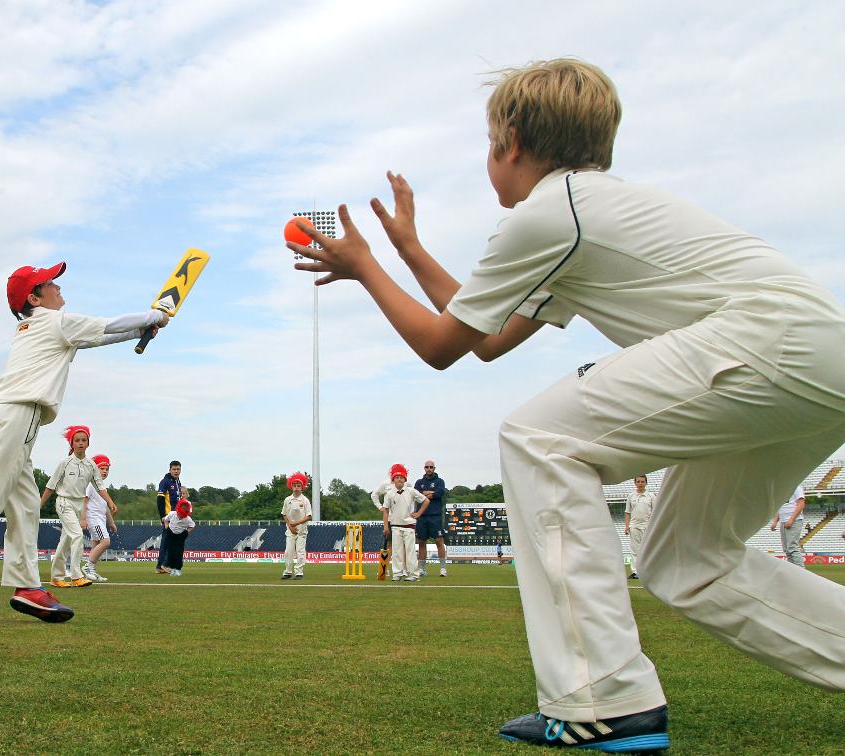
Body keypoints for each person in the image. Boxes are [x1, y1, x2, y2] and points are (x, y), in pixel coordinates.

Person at [289, 57, 845, 751]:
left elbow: (439, 345)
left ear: (511, 142)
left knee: (537, 438)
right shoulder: (582, 215)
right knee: (685, 558)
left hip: (764, 347)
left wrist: (367, 265)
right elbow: (483, 339)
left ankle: (603, 699)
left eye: (489, 142)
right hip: (817, 359)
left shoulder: (553, 212)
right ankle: (606, 695)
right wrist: (408, 249)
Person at [0, 263, 168, 625]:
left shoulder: (33, 328)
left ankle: (26, 586)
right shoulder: (54, 322)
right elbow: (106, 324)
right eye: (51, 284)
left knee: (25, 504)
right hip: (19, 415)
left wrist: (143, 326)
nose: (58, 287)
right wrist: (155, 315)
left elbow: (99, 337)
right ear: (34, 297)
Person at [40, 425, 116, 589]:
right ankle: (76, 576)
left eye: (84, 440)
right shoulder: (65, 463)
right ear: (72, 444)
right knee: (77, 536)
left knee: (65, 541)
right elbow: (50, 486)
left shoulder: (91, 465)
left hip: (78, 505)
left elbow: (100, 487)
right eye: (77, 440)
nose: (81, 443)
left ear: (88, 443)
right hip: (64, 502)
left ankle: (56, 577)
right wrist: (40, 505)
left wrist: (110, 502)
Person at [376, 465, 429, 582]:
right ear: (393, 479)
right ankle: (397, 573)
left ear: (405, 479)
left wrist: (419, 513)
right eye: (397, 477)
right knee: (396, 552)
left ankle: (414, 575)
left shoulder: (411, 491)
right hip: (395, 526)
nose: (399, 479)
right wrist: (386, 527)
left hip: (409, 526)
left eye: (402, 477)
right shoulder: (389, 493)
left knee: (410, 552)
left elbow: (426, 500)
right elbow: (385, 510)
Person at [82, 453, 119, 582]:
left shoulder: (102, 488)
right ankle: (88, 567)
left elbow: (105, 507)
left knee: (96, 545)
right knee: (105, 541)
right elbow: (84, 501)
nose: (104, 471)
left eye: (106, 469)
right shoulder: (90, 484)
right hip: (93, 518)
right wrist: (83, 519)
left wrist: (111, 522)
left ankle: (91, 571)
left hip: (100, 519)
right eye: (101, 468)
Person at [413, 458, 449, 577]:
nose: (429, 469)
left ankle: (443, 568)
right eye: (427, 467)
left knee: (439, 541)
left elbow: (439, 493)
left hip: (435, 516)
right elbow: (416, 495)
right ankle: (422, 569)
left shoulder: (440, 481)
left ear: (434, 468)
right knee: (422, 542)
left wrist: (425, 493)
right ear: (424, 468)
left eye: (431, 467)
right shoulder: (419, 482)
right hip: (422, 517)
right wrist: (430, 493)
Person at [280, 472, 312, 580]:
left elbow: (309, 517)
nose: (296, 488)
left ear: (302, 487)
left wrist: (296, 524)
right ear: (291, 487)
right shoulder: (287, 500)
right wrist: (290, 526)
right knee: (288, 551)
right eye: (295, 486)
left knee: (300, 551)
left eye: (299, 486)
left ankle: (299, 572)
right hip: (290, 530)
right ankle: (288, 571)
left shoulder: (305, 500)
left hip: (301, 530)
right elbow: (284, 514)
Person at [624, 475, 656, 579]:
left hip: (647, 526)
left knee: (648, 549)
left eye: (642, 481)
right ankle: (635, 572)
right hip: (634, 526)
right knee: (634, 550)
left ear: (646, 483)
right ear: (635, 483)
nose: (640, 483)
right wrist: (627, 526)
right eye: (638, 481)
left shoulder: (651, 496)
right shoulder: (631, 496)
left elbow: (655, 512)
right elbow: (627, 512)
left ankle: (648, 571)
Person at [769, 485, 807, 568]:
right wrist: (775, 521)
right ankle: (793, 570)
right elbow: (780, 507)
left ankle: (801, 571)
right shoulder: (783, 489)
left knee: (792, 547)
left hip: (794, 520)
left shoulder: (796, 487)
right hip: (783, 520)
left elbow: (801, 504)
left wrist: (791, 519)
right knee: (787, 549)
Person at [155, 460, 183, 573]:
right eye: (174, 469)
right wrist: (162, 516)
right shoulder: (165, 482)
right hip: (168, 516)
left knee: (166, 541)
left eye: (178, 469)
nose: (176, 471)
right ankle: (165, 564)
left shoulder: (178, 482)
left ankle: (160, 566)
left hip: (176, 517)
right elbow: (160, 499)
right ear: (170, 470)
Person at [161, 499, 195, 576]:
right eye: (180, 514)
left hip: (180, 536)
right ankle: (172, 569)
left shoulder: (188, 519)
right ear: (178, 510)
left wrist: (186, 532)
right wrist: (167, 528)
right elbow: (165, 520)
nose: (181, 517)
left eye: (183, 516)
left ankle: (178, 569)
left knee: (179, 553)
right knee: (171, 552)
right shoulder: (172, 514)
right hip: (170, 534)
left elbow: (192, 526)